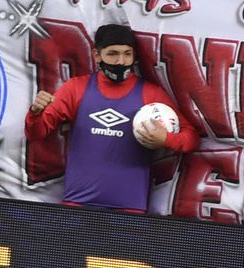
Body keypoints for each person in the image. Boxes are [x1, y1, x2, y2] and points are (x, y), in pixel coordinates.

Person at [24, 23, 199, 212]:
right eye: (113, 54)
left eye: (127, 53)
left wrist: (167, 139)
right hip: (78, 203)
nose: (121, 61)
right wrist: (35, 113)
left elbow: (192, 138)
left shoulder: (151, 94)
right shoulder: (75, 89)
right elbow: (36, 133)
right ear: (97, 55)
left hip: (130, 208)